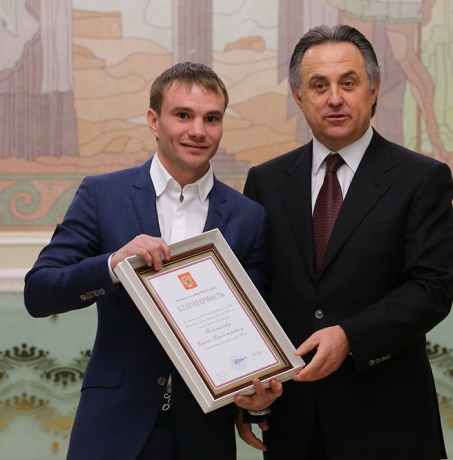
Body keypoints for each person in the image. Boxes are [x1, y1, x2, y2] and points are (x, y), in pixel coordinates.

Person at [24, 62, 281, 460]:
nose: (198, 130)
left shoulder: (249, 217)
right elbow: (39, 292)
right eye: (183, 115)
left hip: (203, 435)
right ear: (153, 120)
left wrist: (256, 401)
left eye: (211, 118)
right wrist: (114, 264)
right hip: (113, 427)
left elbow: (253, 331)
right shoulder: (102, 196)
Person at [240, 24, 453, 459]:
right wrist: (250, 396)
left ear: (373, 89)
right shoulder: (266, 181)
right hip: (293, 422)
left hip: (388, 422)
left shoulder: (421, 179)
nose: (334, 98)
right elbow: (252, 294)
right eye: (319, 85)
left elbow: (431, 289)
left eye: (349, 83)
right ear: (299, 96)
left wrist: (350, 336)